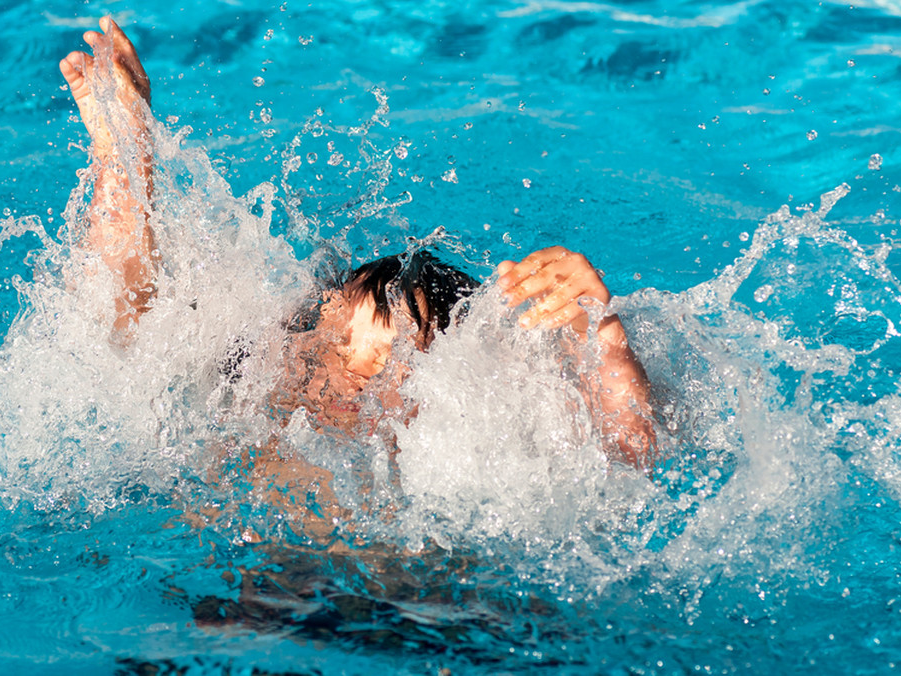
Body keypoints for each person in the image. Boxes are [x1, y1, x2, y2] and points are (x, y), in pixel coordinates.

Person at [59, 18, 656, 473]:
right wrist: (125, 162)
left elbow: (626, 461)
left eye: (377, 373)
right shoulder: (257, 373)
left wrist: (605, 342)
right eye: (335, 349)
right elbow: (122, 324)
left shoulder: (461, 457)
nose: (338, 384)